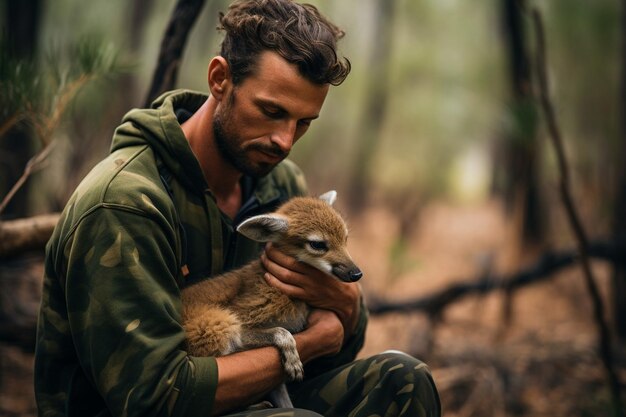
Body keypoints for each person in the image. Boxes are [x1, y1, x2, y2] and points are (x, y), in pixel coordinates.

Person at [34, 0, 441, 416]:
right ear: (220, 80)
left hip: (253, 390)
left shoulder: (281, 186)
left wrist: (348, 308)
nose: (284, 141)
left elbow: (333, 350)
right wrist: (304, 343)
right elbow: (152, 397)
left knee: (403, 379)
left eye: (303, 123)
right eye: (271, 111)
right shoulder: (125, 203)